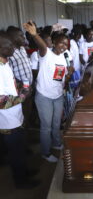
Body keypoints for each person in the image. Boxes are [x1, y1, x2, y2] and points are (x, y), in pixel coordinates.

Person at [23, 21, 68, 163]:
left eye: (66, 44)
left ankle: (56, 143)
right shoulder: (46, 53)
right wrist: (34, 34)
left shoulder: (64, 56)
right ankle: (45, 152)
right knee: (46, 127)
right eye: (61, 43)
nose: (64, 46)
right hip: (44, 97)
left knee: (56, 124)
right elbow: (42, 44)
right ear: (53, 42)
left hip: (58, 95)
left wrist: (68, 78)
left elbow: (60, 77)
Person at [0, 30, 39, 189]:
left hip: (15, 116)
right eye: (8, 45)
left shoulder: (5, 62)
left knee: (20, 149)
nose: (12, 47)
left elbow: (9, 88)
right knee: (15, 153)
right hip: (7, 121)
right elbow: (1, 101)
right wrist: (23, 96)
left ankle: (24, 172)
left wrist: (20, 87)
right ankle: (21, 181)